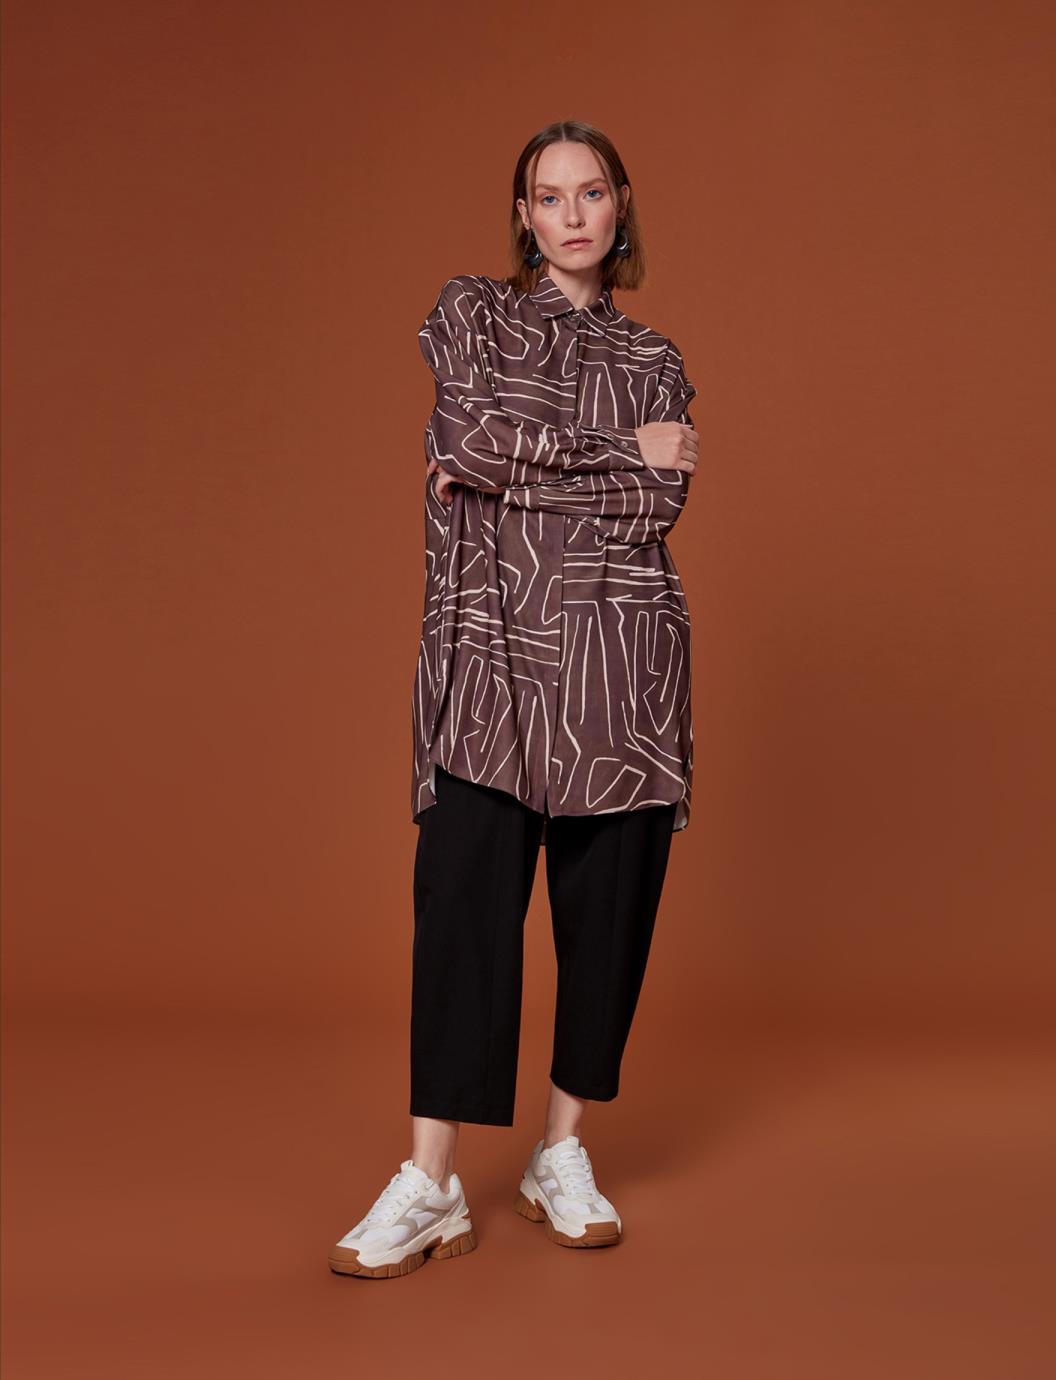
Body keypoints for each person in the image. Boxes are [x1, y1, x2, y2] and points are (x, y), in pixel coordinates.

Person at [329, 120, 700, 1280]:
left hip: (617, 675)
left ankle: (561, 1152)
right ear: (525, 217)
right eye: (550, 196)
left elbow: (654, 509)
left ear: (621, 206)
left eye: (592, 193)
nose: (573, 214)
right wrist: (614, 451)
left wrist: (516, 470)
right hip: (489, 666)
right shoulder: (472, 315)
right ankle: (431, 1180)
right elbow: (466, 435)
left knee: (607, 923)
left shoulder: (657, 360)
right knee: (461, 913)